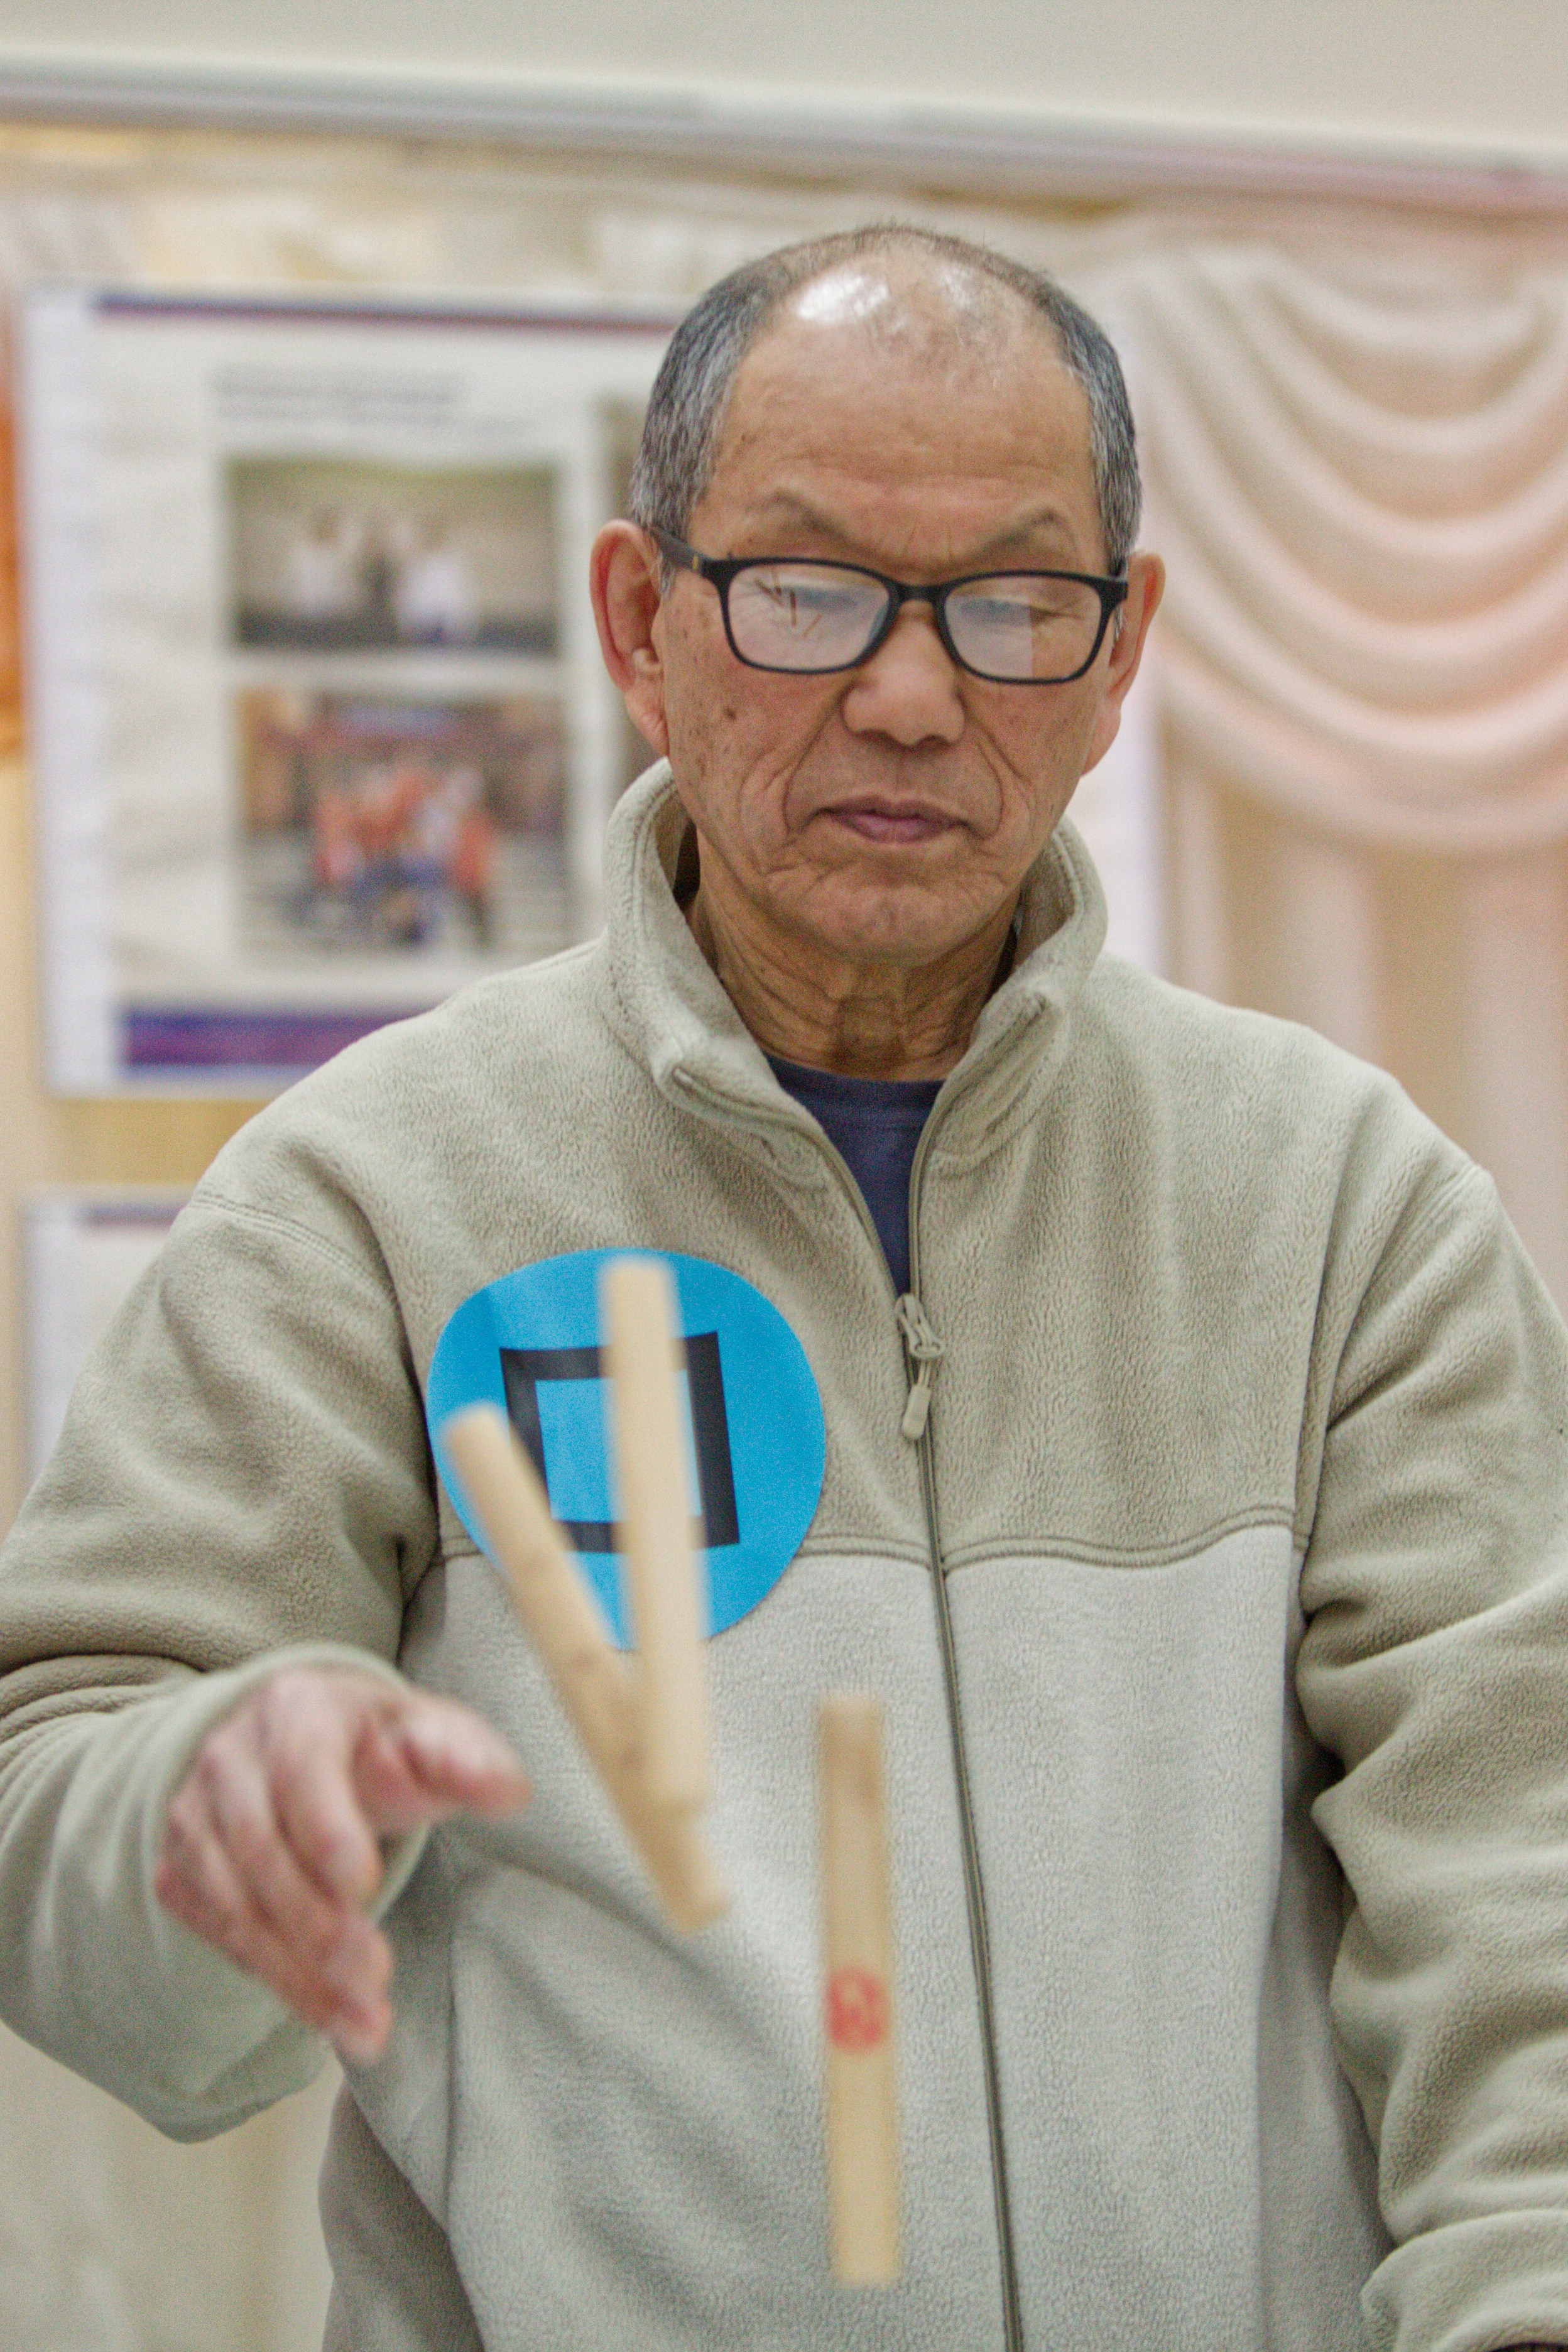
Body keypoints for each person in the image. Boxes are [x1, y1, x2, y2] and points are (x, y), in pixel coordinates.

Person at [2, 225, 1567, 2352]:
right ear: (645, 623)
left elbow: (1524, 1909)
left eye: (1016, 604)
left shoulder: (1342, 1214)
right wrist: (207, 1800)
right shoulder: (366, 1202)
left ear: (1120, 658)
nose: (913, 696)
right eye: (808, 591)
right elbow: (54, 1805)